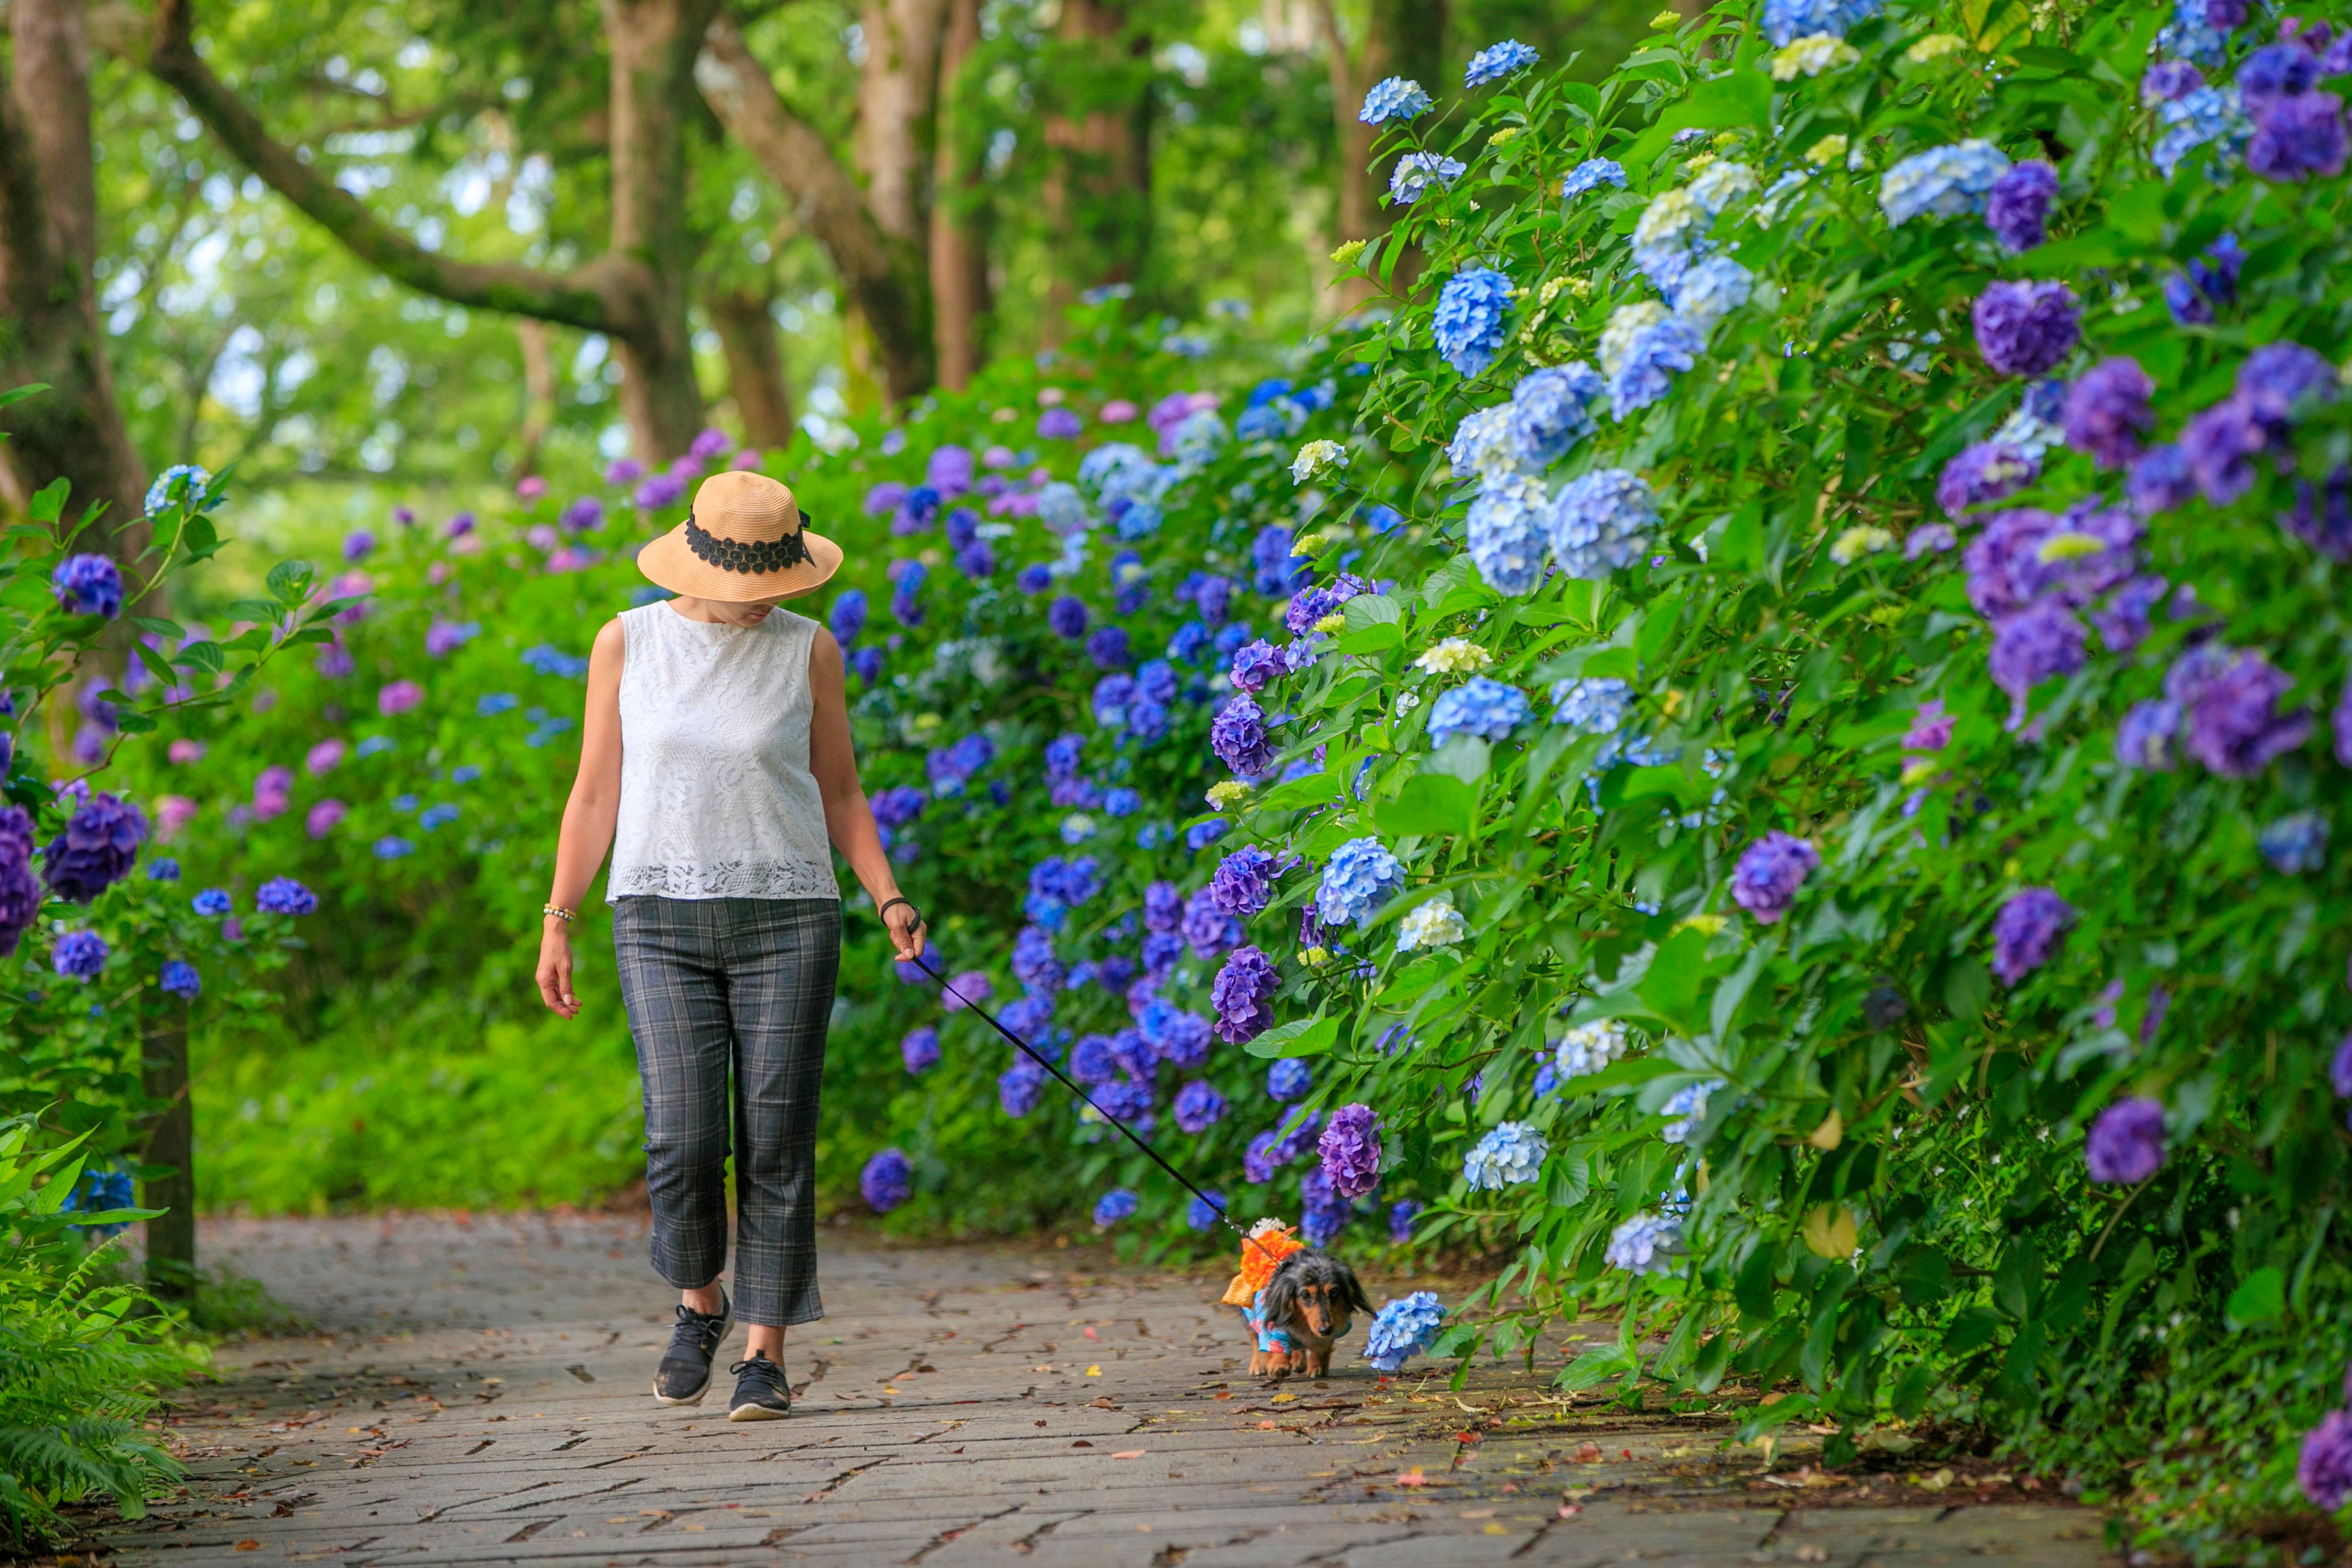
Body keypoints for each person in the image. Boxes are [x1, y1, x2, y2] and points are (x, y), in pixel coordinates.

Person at [535, 468, 923, 1421]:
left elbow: (840, 792)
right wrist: (558, 919)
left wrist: (889, 896)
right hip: (658, 916)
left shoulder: (810, 651)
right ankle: (698, 1300)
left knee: (777, 1140)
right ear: (701, 559)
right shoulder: (628, 641)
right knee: (682, 1136)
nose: (772, 603)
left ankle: (764, 1355)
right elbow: (593, 795)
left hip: (790, 917)